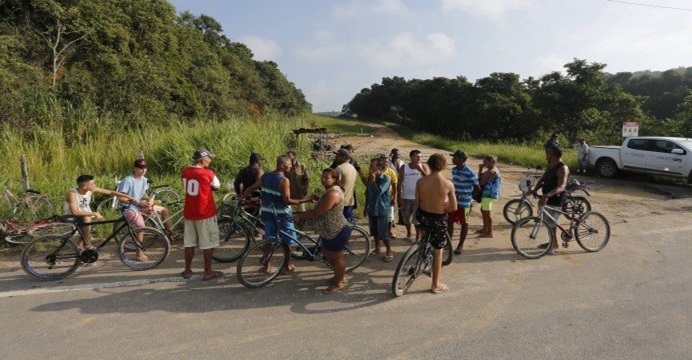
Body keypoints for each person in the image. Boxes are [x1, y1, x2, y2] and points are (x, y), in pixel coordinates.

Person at [241, 155, 312, 274]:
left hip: (267, 213)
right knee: (286, 241)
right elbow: (287, 201)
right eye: (289, 164)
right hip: (282, 215)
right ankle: (286, 266)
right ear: (283, 166)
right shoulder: (284, 180)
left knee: (269, 240)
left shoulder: (266, 175)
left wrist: (242, 197)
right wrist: (307, 200)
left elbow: (252, 187)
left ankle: (267, 266)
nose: (291, 166)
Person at [293, 168, 351, 294]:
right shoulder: (330, 191)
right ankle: (337, 276)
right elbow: (325, 205)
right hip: (327, 230)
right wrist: (319, 199)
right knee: (328, 255)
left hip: (336, 230)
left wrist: (300, 216)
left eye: (327, 178)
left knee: (336, 258)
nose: (323, 180)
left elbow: (317, 212)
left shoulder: (333, 193)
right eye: (322, 177)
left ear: (334, 179)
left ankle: (339, 282)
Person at [414, 153, 457, 294]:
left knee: (425, 236)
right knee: (438, 250)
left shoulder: (420, 182)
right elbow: (453, 207)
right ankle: (435, 284)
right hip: (438, 218)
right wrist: (443, 206)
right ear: (444, 166)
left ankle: (419, 259)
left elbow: (417, 202)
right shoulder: (448, 184)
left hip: (422, 215)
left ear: (429, 165)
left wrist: (415, 215)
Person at [116, 159, 175, 260]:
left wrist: (149, 200)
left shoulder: (144, 179)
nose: (143, 170)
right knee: (141, 226)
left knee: (164, 210)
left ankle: (169, 234)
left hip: (141, 206)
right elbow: (120, 198)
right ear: (135, 168)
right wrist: (137, 202)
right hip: (129, 208)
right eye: (140, 168)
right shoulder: (128, 180)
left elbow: (143, 194)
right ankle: (139, 252)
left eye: (144, 168)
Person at [180, 148, 224, 281]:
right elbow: (217, 185)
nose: (210, 160)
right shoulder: (208, 173)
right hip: (205, 212)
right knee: (208, 244)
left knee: (189, 243)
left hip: (189, 212)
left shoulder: (185, 171)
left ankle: (187, 270)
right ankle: (208, 271)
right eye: (208, 158)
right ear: (202, 159)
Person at [64, 175, 135, 250]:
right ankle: (87, 243)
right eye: (92, 184)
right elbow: (75, 212)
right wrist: (94, 213)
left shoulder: (90, 189)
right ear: (84, 187)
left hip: (86, 214)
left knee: (89, 222)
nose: (95, 185)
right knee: (87, 219)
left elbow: (110, 192)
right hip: (72, 216)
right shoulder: (72, 194)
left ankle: (81, 246)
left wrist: (129, 197)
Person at [529, 146, 569, 255]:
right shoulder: (550, 165)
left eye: (547, 152)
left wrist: (547, 196)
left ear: (553, 154)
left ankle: (553, 245)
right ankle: (553, 242)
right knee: (548, 221)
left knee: (551, 222)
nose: (546, 154)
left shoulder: (562, 168)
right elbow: (543, 178)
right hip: (548, 196)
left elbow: (561, 186)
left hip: (557, 197)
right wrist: (535, 189)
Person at [448, 150, 481, 254]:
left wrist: (471, 199)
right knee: (449, 222)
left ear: (462, 159)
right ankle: (448, 243)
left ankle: (460, 245)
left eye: (455, 157)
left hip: (465, 203)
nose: (453, 159)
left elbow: (477, 188)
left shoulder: (469, 172)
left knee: (464, 223)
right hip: (454, 201)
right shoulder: (454, 170)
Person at [398, 149, 429, 241]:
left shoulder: (423, 166)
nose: (419, 158)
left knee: (417, 219)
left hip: (418, 198)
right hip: (406, 197)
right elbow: (399, 183)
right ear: (411, 157)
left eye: (420, 156)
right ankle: (409, 233)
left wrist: (420, 170)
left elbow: (429, 179)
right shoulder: (404, 167)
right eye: (417, 156)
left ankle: (417, 237)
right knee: (406, 218)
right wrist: (399, 197)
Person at [365, 158, 393, 261]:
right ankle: (377, 248)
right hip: (372, 208)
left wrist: (373, 181)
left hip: (382, 208)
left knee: (383, 233)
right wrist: (365, 207)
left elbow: (379, 192)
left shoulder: (386, 178)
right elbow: (367, 193)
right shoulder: (370, 178)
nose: (370, 168)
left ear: (379, 168)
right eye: (370, 166)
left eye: (372, 166)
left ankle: (389, 251)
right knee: (374, 231)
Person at [477, 155, 501, 238]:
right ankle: (485, 228)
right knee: (483, 210)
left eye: (485, 162)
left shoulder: (491, 172)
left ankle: (489, 232)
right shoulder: (490, 170)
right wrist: (480, 169)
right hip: (487, 193)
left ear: (491, 162)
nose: (483, 163)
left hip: (488, 194)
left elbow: (481, 182)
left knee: (487, 213)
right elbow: (480, 177)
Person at [332, 149, 358, 222]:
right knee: (348, 225)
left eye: (338, 155)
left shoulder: (339, 168)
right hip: (350, 201)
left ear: (343, 157)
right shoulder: (352, 168)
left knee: (339, 226)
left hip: (341, 202)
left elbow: (335, 184)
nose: (336, 157)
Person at [379, 154, 398, 239]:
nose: (384, 163)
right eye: (382, 161)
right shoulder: (376, 171)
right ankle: (379, 232)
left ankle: (389, 231)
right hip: (378, 198)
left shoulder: (391, 172)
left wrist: (394, 198)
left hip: (388, 197)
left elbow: (395, 186)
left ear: (389, 162)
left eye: (386, 162)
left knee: (390, 216)